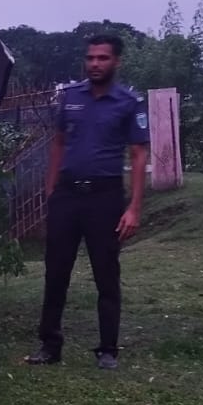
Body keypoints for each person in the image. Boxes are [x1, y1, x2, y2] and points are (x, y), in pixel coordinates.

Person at [24, 32, 148, 370]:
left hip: (105, 197)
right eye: (91, 58)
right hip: (66, 195)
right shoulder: (70, 98)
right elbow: (59, 144)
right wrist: (51, 192)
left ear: (116, 61)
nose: (95, 64)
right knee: (56, 272)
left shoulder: (129, 102)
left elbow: (138, 155)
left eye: (102, 58)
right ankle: (50, 345)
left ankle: (107, 349)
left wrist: (134, 207)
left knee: (106, 273)